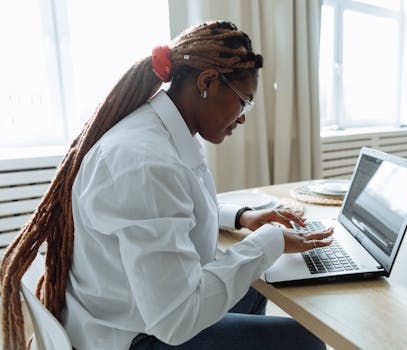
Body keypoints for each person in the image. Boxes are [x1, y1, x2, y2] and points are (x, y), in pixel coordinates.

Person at [0, 21, 335, 350]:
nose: (244, 116)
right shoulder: (146, 161)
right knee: (302, 339)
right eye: (244, 101)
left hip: (127, 311)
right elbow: (177, 321)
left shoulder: (161, 132)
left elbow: (174, 205)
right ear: (207, 82)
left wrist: (243, 217)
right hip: (134, 336)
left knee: (252, 286)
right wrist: (270, 241)